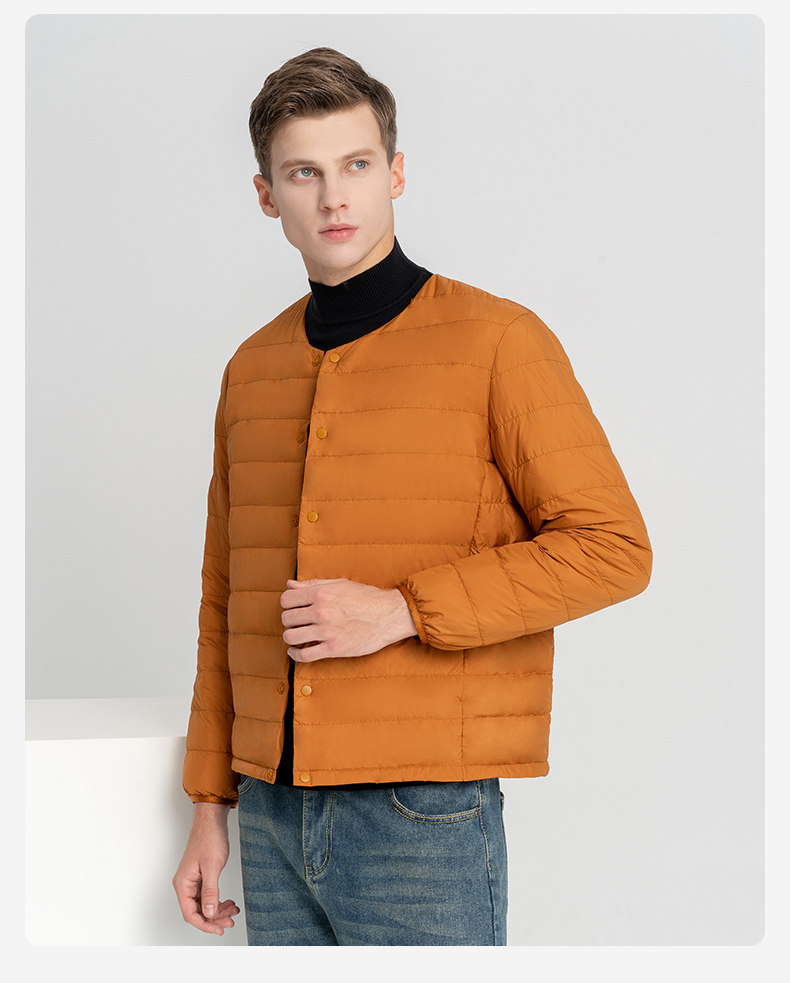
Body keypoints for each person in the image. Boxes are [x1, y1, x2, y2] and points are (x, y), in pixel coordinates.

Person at [172, 46, 653, 947]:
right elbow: (223, 599)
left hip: (421, 810)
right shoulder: (252, 368)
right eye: (304, 173)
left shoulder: (499, 341)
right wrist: (210, 805)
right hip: (269, 809)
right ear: (267, 195)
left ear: (395, 173)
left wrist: (401, 610)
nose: (334, 197)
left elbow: (612, 547)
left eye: (356, 165)